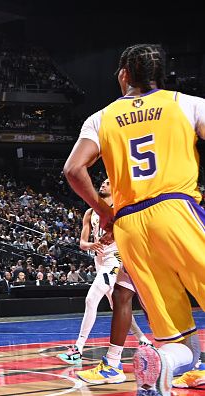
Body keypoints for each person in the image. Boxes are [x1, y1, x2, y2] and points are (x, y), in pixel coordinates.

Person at [63, 44, 205, 394]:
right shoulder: (184, 103)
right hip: (175, 209)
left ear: (124, 74)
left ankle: (165, 364)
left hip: (130, 227)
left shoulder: (101, 117)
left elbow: (73, 169)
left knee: (176, 333)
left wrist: (105, 212)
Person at [58, 179, 151, 384]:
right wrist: (91, 245)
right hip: (99, 260)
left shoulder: (118, 208)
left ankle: (78, 349)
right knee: (117, 304)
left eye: (108, 183)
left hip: (115, 258)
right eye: (102, 182)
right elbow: (82, 243)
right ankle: (144, 340)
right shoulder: (90, 212)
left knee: (92, 299)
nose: (103, 184)